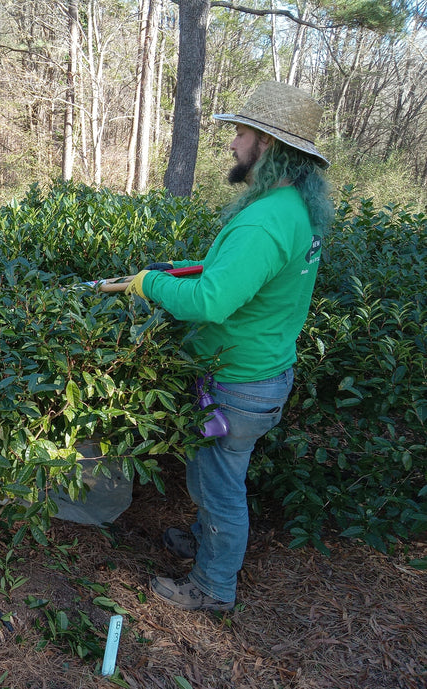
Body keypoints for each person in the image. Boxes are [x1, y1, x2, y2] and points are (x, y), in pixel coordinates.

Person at [125, 80, 334, 611]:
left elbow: (214, 302)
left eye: (241, 132)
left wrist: (149, 285)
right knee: (216, 475)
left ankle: (213, 587)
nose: (233, 142)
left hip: (239, 381)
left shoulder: (265, 221)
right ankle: (203, 540)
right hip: (259, 372)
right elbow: (246, 277)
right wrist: (184, 270)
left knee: (218, 486)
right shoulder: (290, 210)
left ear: (268, 145)